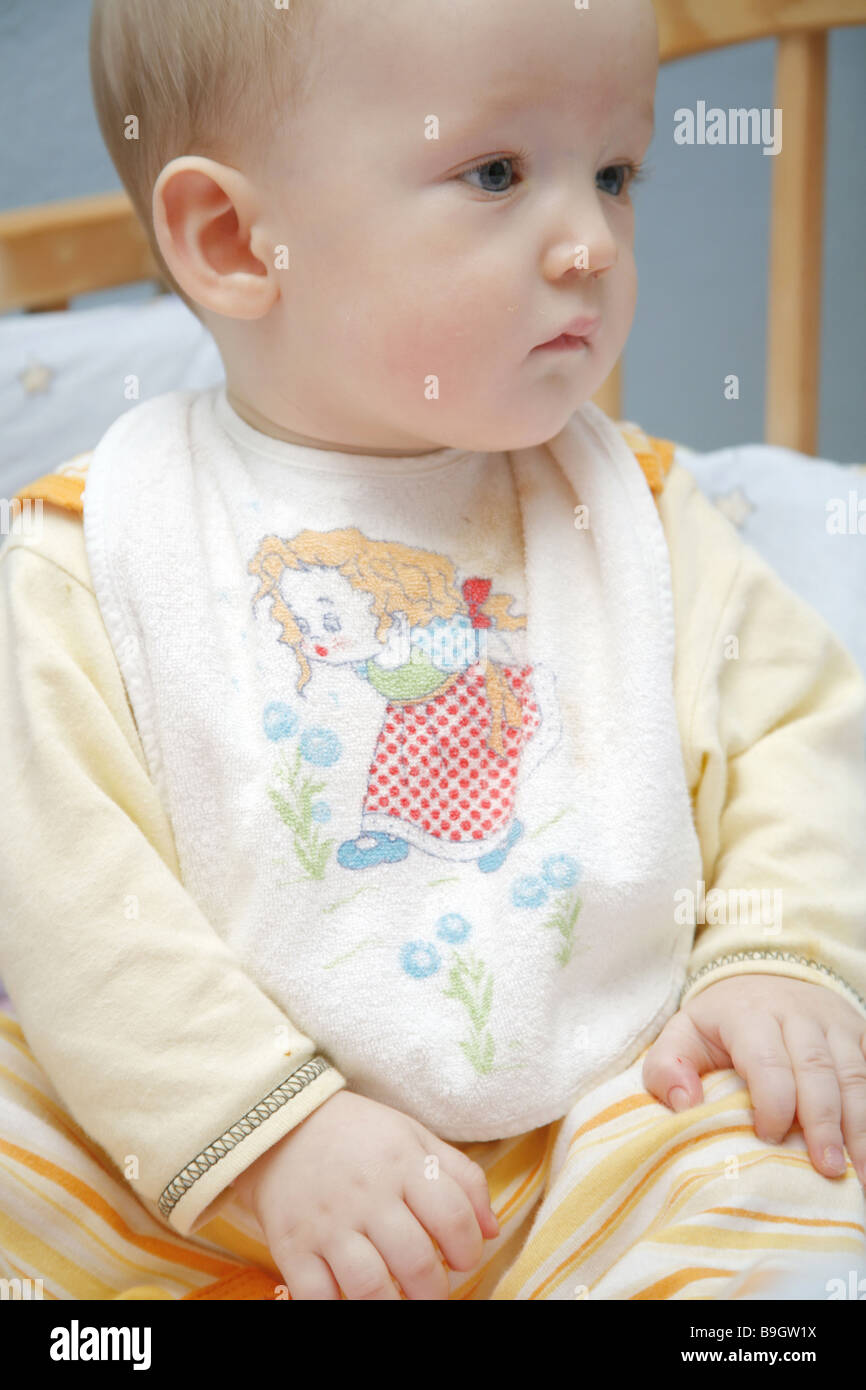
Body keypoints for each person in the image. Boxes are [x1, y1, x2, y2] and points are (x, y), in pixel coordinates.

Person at [1, 0, 864, 1301]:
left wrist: (771, 953)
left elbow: (796, 733)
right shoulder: (93, 549)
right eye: (498, 173)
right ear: (239, 239)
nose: (586, 242)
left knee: (790, 1148)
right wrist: (270, 1134)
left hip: (606, 1113)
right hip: (207, 1162)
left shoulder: (636, 509)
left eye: (614, 173)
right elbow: (61, 893)